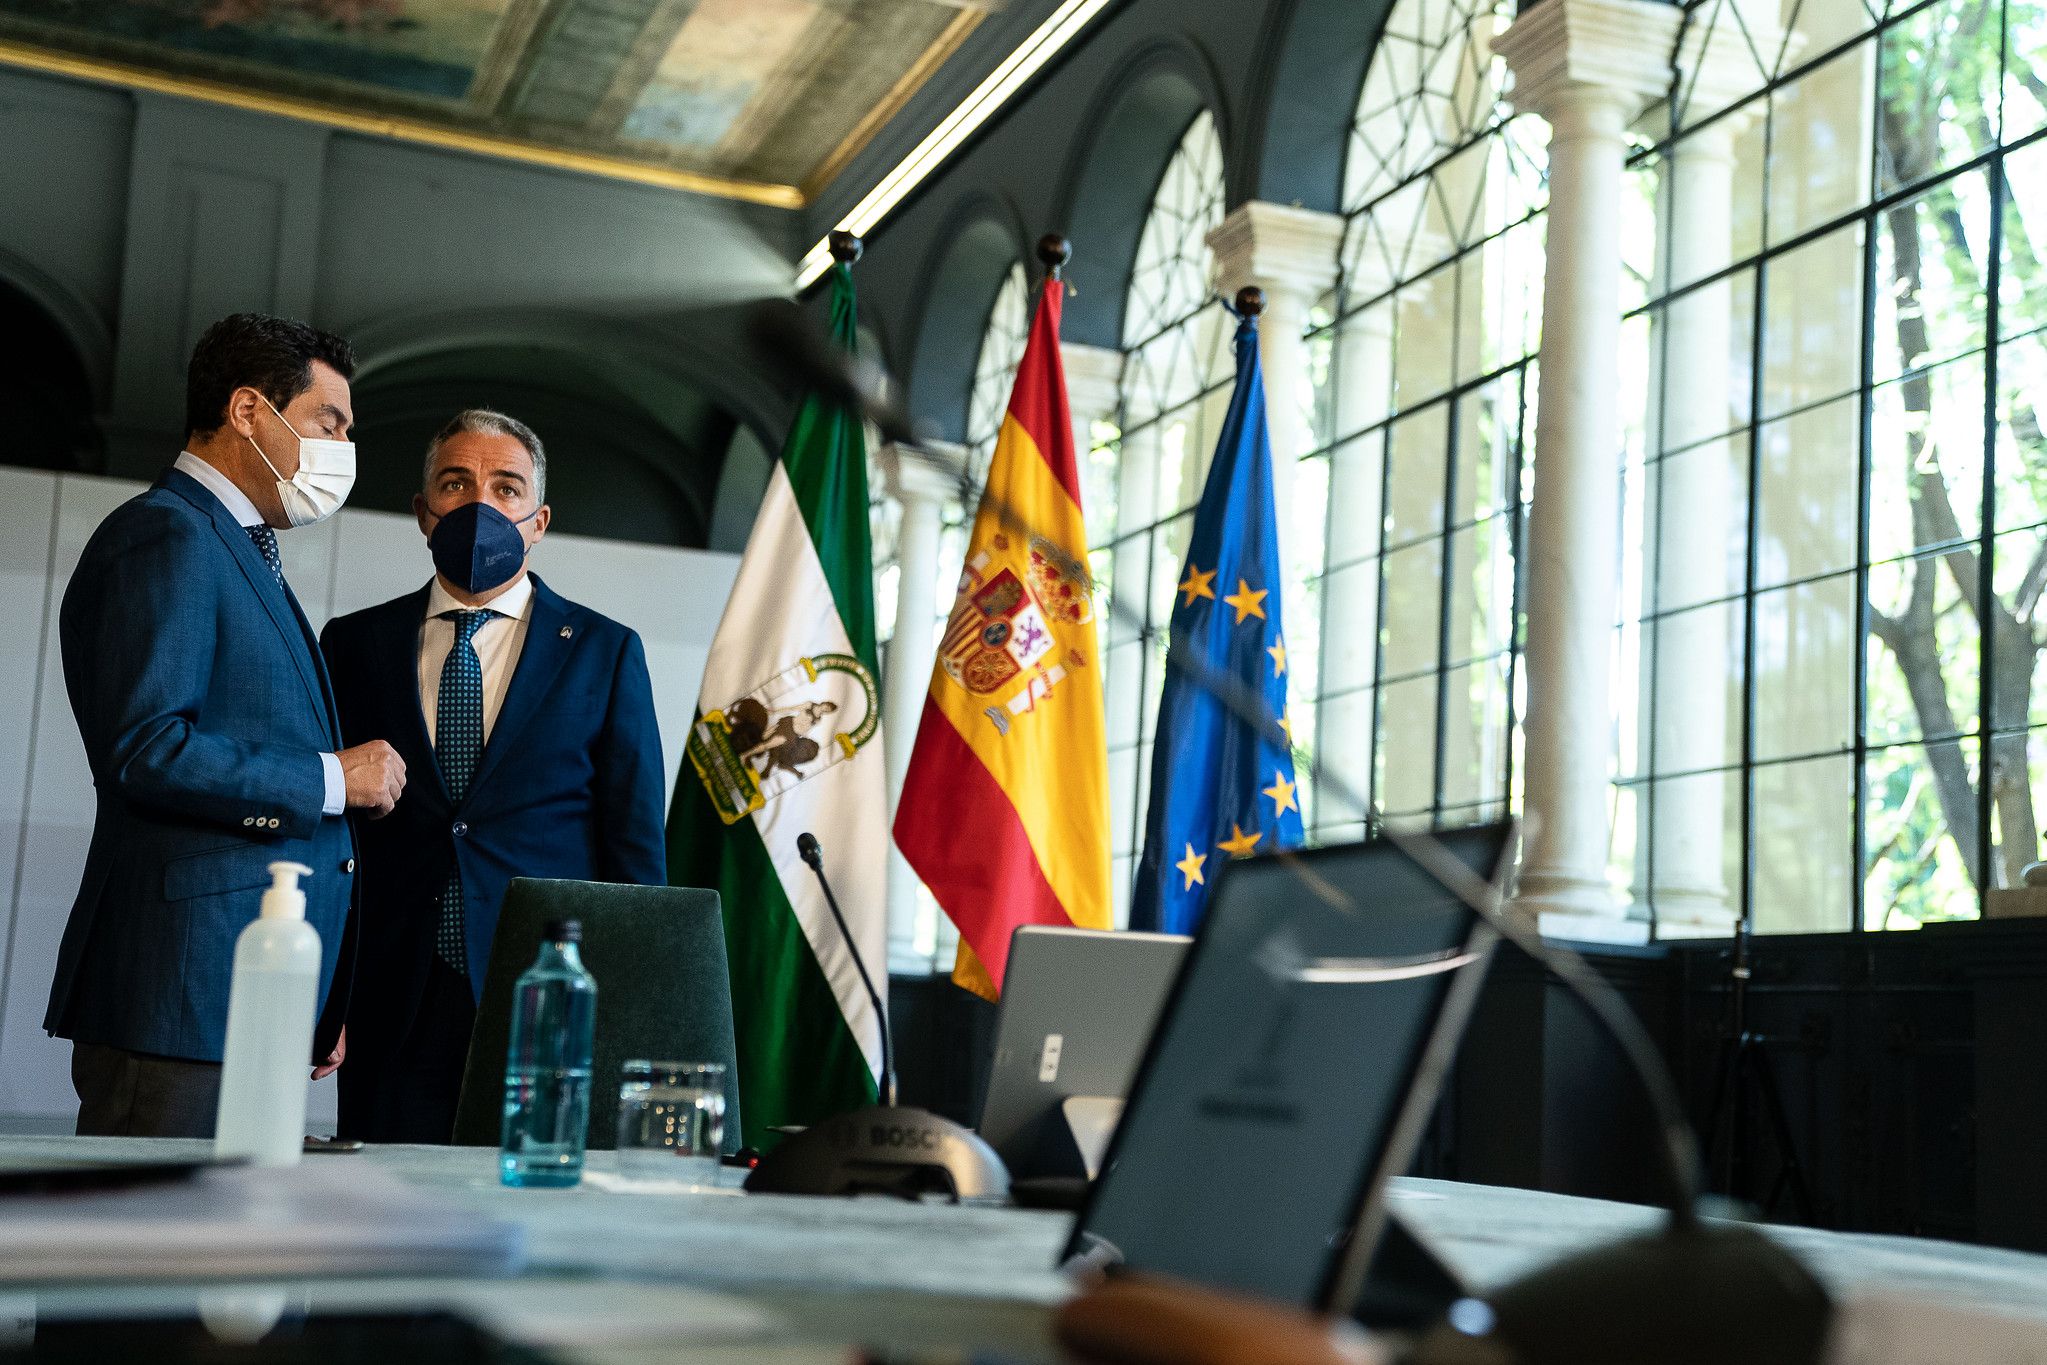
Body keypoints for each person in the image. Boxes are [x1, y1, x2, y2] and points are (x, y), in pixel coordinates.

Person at [45, 312, 408, 1138]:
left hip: (248, 995)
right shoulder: (167, 534)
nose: (343, 446)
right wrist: (331, 777)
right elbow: (149, 749)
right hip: (181, 992)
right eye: (330, 422)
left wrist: (318, 992)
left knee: (220, 1257)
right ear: (249, 410)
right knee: (150, 1259)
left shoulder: (238, 547)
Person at [322, 409, 667, 1143]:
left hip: (545, 1001)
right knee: (381, 1221)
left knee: (528, 1224)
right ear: (423, 512)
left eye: (506, 488)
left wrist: (629, 1015)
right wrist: (326, 996)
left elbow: (634, 848)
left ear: (537, 520)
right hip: (392, 998)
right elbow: (330, 833)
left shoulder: (603, 651)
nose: (482, 505)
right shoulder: (353, 643)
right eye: (456, 483)